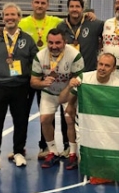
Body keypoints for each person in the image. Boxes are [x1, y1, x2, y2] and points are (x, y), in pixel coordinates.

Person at [0, 3, 38, 170]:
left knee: (21, 121)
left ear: (19, 17)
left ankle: (18, 152)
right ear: (3, 18)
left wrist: (35, 79)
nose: (10, 18)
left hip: (21, 86)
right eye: (7, 15)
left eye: (13, 15)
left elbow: (36, 62)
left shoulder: (27, 39)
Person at [18, 0, 69, 160]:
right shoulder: (22, 23)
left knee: (47, 112)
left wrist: (89, 14)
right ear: (32, 4)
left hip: (50, 75)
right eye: (37, 2)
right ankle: (20, 147)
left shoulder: (56, 21)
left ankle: (46, 147)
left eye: (43, 3)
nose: (39, 6)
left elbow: (75, 22)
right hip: (28, 75)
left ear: (47, 5)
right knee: (22, 113)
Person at [30, 29, 84, 169]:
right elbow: (33, 81)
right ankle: (52, 151)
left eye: (58, 43)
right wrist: (42, 83)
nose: (54, 46)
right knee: (44, 120)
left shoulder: (74, 55)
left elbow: (78, 79)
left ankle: (72, 153)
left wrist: (67, 95)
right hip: (49, 92)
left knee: (69, 119)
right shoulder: (40, 56)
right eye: (51, 43)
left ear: (65, 42)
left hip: (69, 92)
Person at [58, 53, 119, 172]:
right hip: (84, 125)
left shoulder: (118, 84)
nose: (102, 68)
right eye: (100, 64)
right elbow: (61, 99)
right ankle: (74, 153)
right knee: (87, 163)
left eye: (107, 66)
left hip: (105, 126)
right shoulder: (84, 78)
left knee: (104, 164)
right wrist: (69, 87)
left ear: (114, 69)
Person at [56, 0, 104, 72]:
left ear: (82, 9)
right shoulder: (61, 26)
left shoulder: (94, 24)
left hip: (88, 72)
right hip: (68, 72)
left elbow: (110, 30)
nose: (74, 9)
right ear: (68, 9)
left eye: (77, 6)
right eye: (72, 6)